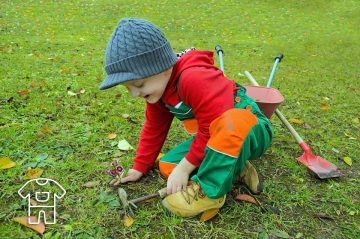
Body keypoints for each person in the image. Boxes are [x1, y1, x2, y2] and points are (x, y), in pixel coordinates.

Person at [100, 18, 272, 218]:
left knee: (228, 124)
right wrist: (140, 166)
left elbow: (211, 127)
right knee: (168, 166)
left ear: (162, 68)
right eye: (128, 88)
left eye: (138, 85)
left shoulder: (193, 77)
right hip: (218, 138)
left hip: (250, 129)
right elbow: (154, 129)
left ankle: (210, 193)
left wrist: (185, 167)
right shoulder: (159, 92)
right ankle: (236, 167)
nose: (134, 94)